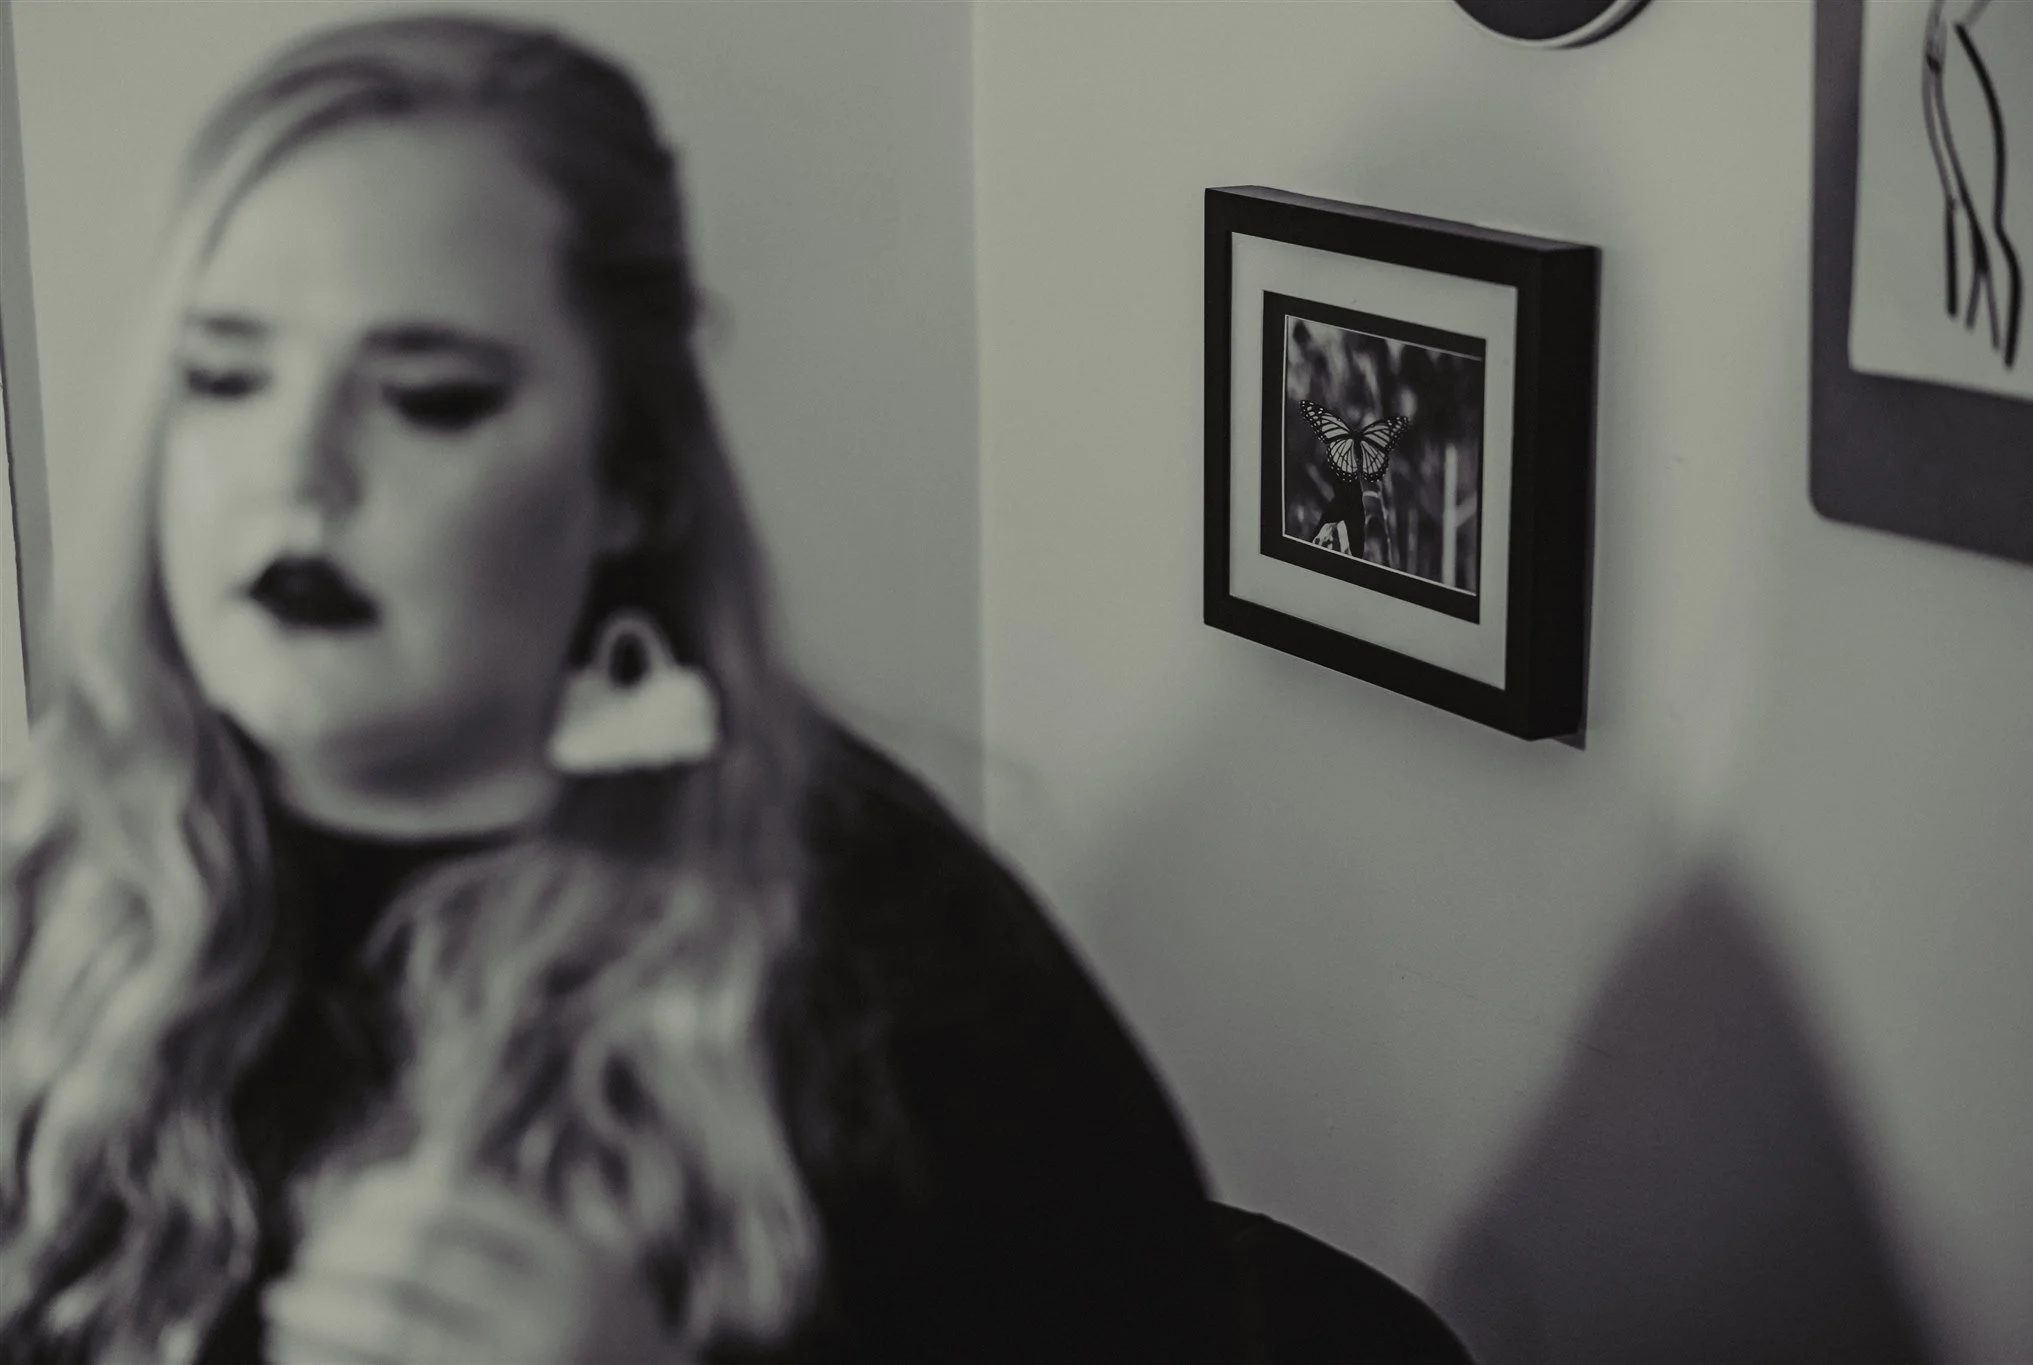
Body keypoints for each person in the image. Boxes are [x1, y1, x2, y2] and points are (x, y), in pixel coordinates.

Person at [0, 15, 1250, 1365]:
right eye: (223, 378)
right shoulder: (47, 878)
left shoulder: (900, 979)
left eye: (431, 398)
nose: (296, 474)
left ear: (632, 477)